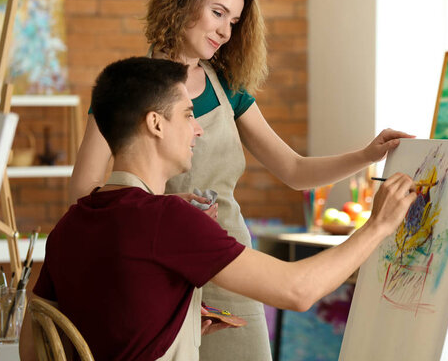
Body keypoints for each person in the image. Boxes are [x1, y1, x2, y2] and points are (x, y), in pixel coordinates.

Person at [68, 0, 415, 359]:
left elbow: (295, 171)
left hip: (229, 264)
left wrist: (367, 155)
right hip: (156, 267)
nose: (225, 31)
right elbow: (82, 193)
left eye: (233, 21)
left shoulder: (227, 89)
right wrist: (158, 208)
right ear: (181, 4)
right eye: (217, 13)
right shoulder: (129, 89)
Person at [21, 57, 416, 360]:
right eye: (189, 114)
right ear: (156, 124)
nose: (198, 129)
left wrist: (173, 326)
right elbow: (297, 290)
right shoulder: (167, 219)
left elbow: (32, 345)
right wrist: (378, 225)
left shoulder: (71, 224)